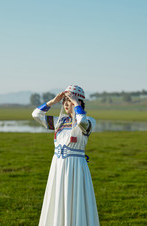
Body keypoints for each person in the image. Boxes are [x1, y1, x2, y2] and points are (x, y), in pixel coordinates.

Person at [32, 85, 99, 226]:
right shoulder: (60, 122)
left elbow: (81, 121)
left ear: (79, 102)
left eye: (70, 100)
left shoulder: (90, 121)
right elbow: (36, 115)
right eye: (65, 101)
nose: (66, 103)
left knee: (75, 200)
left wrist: (75, 103)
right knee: (58, 198)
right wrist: (52, 102)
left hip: (76, 167)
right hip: (58, 166)